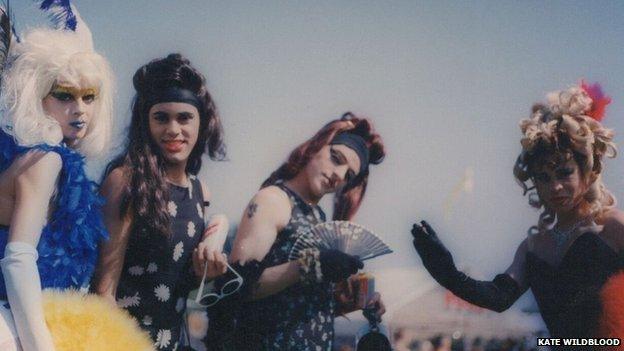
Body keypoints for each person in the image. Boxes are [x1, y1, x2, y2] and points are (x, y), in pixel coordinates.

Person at [412, 82, 624, 340]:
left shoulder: (613, 226)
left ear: (587, 171)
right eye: (543, 177)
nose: (555, 186)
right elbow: (498, 298)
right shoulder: (533, 246)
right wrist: (448, 274)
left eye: (564, 172)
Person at [207, 113, 386, 350]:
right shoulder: (274, 200)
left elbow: (291, 306)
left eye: (349, 176)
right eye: (336, 158)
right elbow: (233, 287)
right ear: (317, 145)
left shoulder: (318, 216)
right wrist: (309, 265)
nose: (339, 176)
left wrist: (343, 304)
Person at [92, 53, 228, 350]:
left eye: (185, 117)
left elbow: (177, 283)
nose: (173, 130)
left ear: (202, 123)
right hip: (122, 341)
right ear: (145, 123)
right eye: (161, 117)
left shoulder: (200, 191)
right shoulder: (125, 181)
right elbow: (103, 291)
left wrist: (206, 273)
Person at [0, 3, 114, 349]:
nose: (79, 110)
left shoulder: (42, 158)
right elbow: (18, 259)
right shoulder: (45, 160)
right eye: (64, 95)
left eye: (88, 97)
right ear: (38, 97)